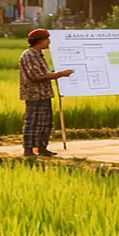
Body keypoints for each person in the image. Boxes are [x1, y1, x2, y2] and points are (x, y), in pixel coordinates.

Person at [18, 29, 74, 157]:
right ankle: (28, 149)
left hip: (44, 93)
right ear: (39, 41)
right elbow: (35, 76)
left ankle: (42, 148)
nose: (49, 42)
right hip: (34, 94)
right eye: (46, 39)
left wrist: (55, 74)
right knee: (32, 121)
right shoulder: (29, 55)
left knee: (45, 121)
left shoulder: (38, 55)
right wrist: (59, 75)